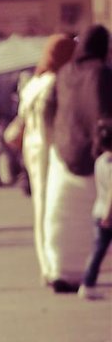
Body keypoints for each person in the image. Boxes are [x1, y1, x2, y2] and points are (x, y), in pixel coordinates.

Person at [43, 24, 112, 291]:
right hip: (96, 157)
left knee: (62, 218)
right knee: (96, 219)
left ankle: (62, 270)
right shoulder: (102, 74)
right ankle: (91, 273)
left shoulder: (63, 73)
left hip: (63, 154)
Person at [13, 34, 76, 284]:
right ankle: (53, 265)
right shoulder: (55, 82)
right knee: (53, 206)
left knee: (41, 206)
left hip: (33, 148)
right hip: (50, 149)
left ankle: (47, 264)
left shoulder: (34, 82)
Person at [79, 119, 112, 300]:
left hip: (97, 212)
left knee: (98, 251)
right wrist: (108, 215)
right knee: (99, 251)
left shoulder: (100, 161)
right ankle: (88, 284)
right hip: (107, 214)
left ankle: (87, 283)